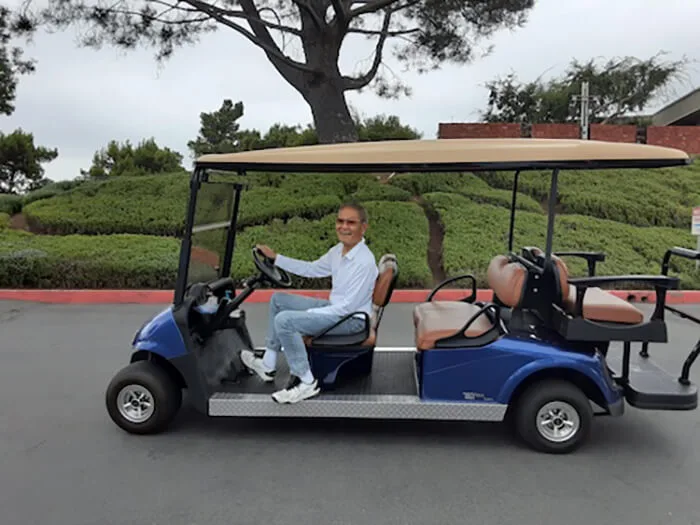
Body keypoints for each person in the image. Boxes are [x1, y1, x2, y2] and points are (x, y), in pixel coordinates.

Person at [239, 202, 378, 404]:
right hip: (337, 310)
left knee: (286, 321)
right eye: (340, 221)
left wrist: (309, 315)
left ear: (363, 227)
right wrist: (276, 259)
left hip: (351, 319)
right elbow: (312, 269)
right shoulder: (339, 251)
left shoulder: (364, 262)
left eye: (351, 222)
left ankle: (306, 382)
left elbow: (346, 308)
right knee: (279, 300)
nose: (344, 227)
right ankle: (268, 365)